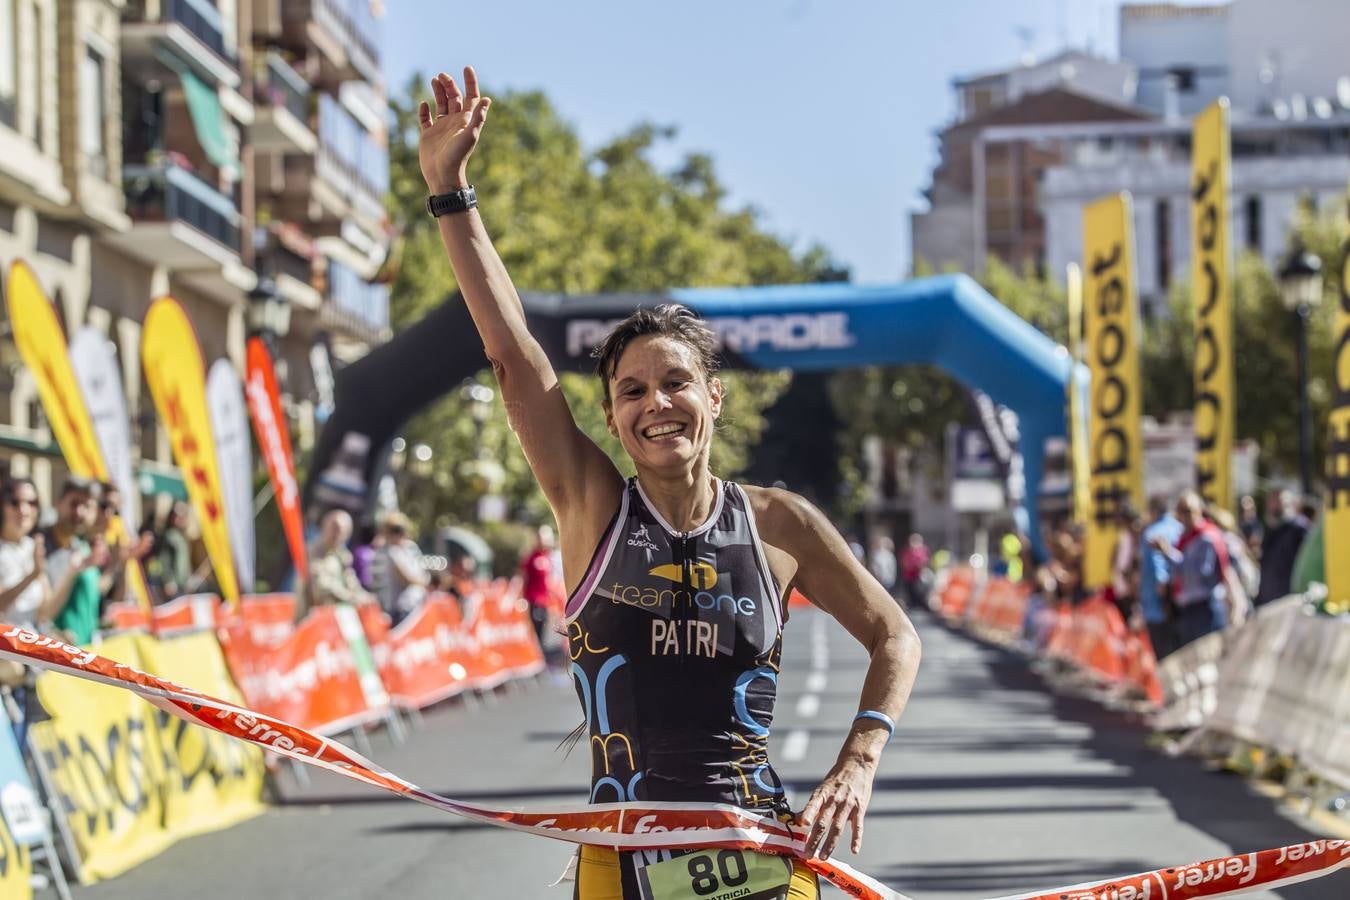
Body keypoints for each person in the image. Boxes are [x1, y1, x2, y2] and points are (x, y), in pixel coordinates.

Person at [416, 67, 921, 898]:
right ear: (612, 421)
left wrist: (859, 759)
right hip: (626, 864)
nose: (658, 404)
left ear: (714, 399)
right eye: (632, 391)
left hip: (763, 850)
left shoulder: (778, 525)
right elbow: (514, 361)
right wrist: (450, 190)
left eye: (676, 382)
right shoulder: (593, 507)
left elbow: (895, 637)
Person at [1151, 491, 1229, 647]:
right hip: (1189, 609)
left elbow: (1199, 573)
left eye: (1188, 511)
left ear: (1199, 511)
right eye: (1181, 512)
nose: (1185, 517)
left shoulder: (1206, 537)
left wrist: (1168, 553)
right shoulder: (1184, 538)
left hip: (1205, 607)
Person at [40, 477, 109, 644]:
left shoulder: (80, 547)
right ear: (57, 503)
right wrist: (51, 634)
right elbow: (36, 612)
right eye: (74, 503)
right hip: (49, 659)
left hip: (82, 654)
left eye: (86, 506)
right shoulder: (38, 547)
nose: (79, 512)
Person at [1138, 496, 1183, 659]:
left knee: (1165, 658)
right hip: (1180, 602)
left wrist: (1163, 598)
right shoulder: (1179, 528)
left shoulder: (1152, 533)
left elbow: (1159, 570)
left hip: (1158, 607)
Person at [305, 510, 375, 612]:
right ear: (324, 526)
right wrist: (351, 598)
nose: (337, 534)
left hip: (333, 617)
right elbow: (322, 585)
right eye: (335, 528)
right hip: (311, 617)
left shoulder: (342, 555)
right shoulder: (313, 551)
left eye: (343, 531)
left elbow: (351, 582)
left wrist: (366, 597)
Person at [374, 512, 428, 624]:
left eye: (400, 529)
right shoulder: (389, 552)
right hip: (400, 609)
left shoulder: (411, 548)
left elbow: (423, 573)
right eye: (394, 530)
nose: (398, 534)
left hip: (418, 605)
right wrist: (423, 581)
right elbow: (407, 580)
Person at [520, 525, 558, 650]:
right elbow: (523, 578)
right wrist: (522, 597)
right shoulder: (531, 557)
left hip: (545, 601)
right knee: (535, 629)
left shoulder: (548, 557)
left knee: (543, 630)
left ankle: (541, 655)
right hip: (533, 600)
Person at [155, 501, 193, 601]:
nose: (179, 519)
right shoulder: (169, 536)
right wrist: (168, 581)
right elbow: (164, 559)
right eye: (176, 516)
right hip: (174, 585)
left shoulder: (181, 536)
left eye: (181, 516)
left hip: (182, 584)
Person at [898, 533, 930, 608]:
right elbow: (904, 562)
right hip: (908, 576)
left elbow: (925, 561)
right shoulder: (907, 551)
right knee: (910, 593)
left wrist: (918, 565)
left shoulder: (923, 550)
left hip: (919, 577)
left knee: (919, 593)